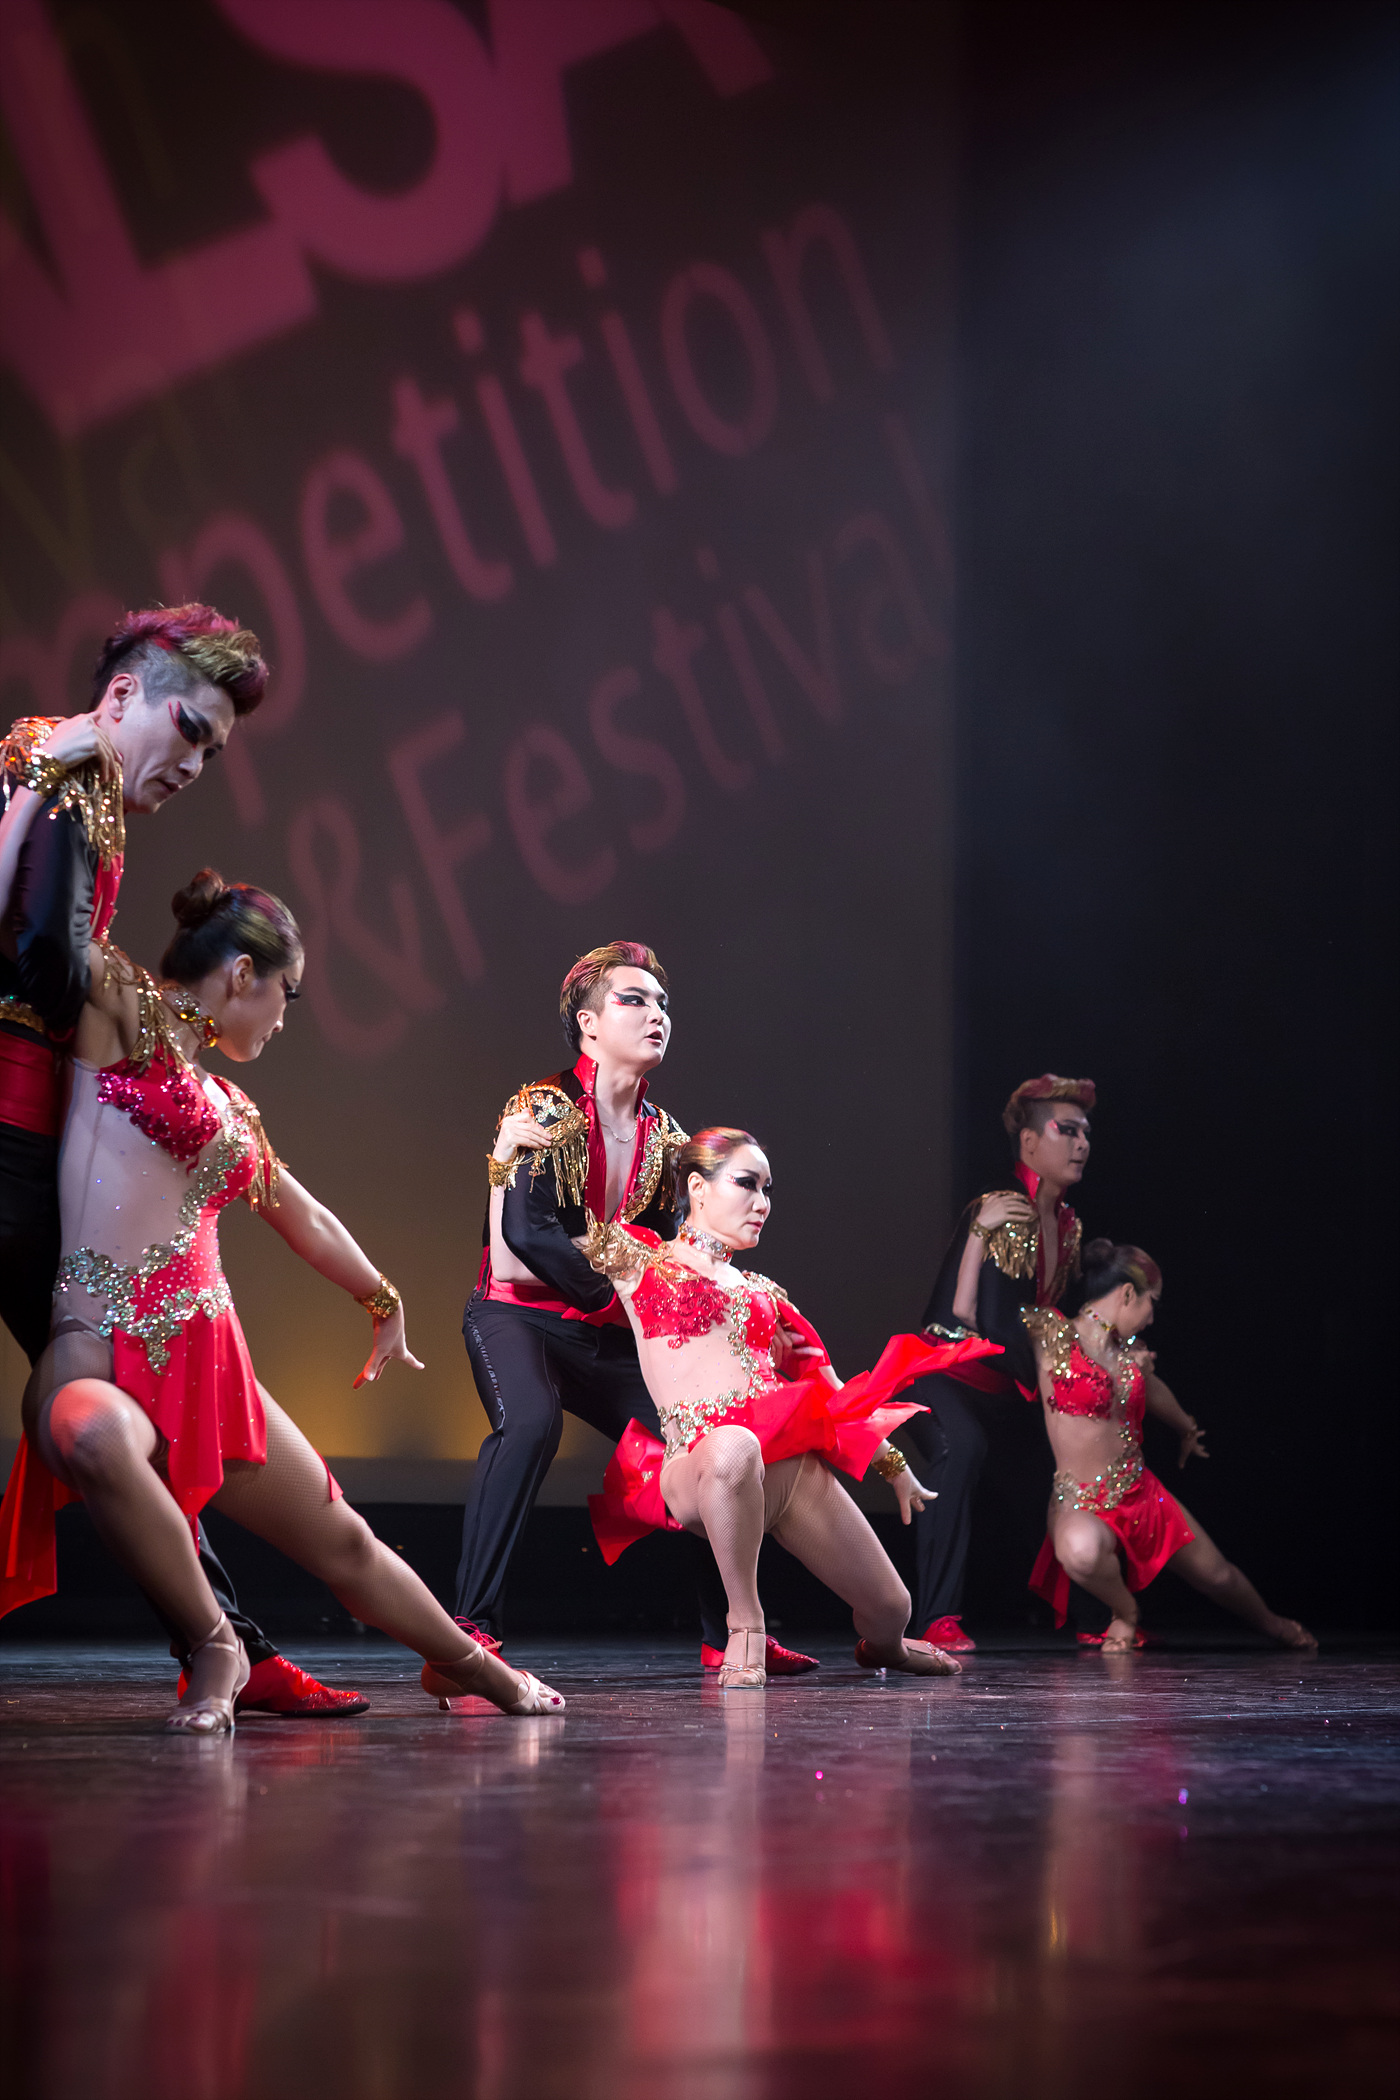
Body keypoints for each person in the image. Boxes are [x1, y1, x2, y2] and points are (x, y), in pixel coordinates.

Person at [0, 871, 564, 1729]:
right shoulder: (121, 1015)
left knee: (348, 1545)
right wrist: (77, 787)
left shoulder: (231, 1106)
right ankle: (216, 1646)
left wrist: (383, 1299)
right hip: (96, 1351)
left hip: (206, 1366)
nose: (283, 1018)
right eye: (286, 994)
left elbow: (305, 1217)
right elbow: (57, 907)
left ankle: (479, 1670)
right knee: (92, 1432)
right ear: (240, 975)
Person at [0, 609, 363, 1716]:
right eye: (190, 732)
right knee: (131, 1398)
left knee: (121, 1408)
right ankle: (233, 1648)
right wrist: (131, 1013)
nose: (195, 766)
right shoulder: (74, 778)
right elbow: (44, 961)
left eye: (212, 749)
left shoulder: (45, 764)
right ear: (122, 698)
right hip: (11, 1145)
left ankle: (232, 1646)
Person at [457, 942, 817, 1677]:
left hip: (601, 1325)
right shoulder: (542, 1106)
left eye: (662, 1004)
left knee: (697, 1430)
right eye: (634, 1000)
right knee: (529, 1425)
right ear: (588, 1024)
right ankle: (470, 1626)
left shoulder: (668, 1139)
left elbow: (676, 1244)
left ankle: (729, 1630)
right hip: (515, 1314)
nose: (657, 1015)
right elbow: (527, 1232)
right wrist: (623, 1294)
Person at [583, 1129, 1003, 1687]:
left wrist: (893, 1464)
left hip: (785, 1470)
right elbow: (569, 1209)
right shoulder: (640, 1262)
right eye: (746, 1184)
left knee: (892, 1607)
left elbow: (830, 1390)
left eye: (768, 1189)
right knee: (734, 1448)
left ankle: (887, 1647)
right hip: (700, 1467)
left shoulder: (765, 1292)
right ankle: (745, 1624)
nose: (762, 1203)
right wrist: (513, 1152)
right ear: (697, 1188)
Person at [1024, 1238, 1315, 1652]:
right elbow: (993, 1317)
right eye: (1152, 1303)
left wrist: (1186, 1428)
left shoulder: (1128, 1353)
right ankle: (1125, 1612)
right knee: (1081, 1552)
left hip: (1139, 1494)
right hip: (1079, 1501)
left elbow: (1155, 1392)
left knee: (1218, 1576)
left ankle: (1273, 1623)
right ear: (1128, 1294)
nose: (1151, 1317)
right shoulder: (1051, 1336)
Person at [903, 1073, 1095, 1653]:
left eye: (1086, 1133)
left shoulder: (1069, 1225)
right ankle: (934, 1618)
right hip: (943, 1374)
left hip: (1001, 1383)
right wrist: (1060, 1376)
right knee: (960, 1448)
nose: (1082, 1143)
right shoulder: (1005, 1210)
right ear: (1030, 1143)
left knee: (1068, 1465)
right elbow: (990, 1319)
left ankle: (1096, 1611)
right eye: (1067, 1130)